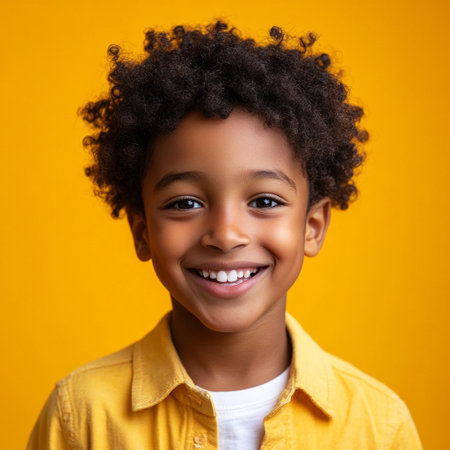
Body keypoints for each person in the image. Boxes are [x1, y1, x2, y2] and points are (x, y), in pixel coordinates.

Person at [27, 21, 422, 449]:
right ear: (142, 232)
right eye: (185, 204)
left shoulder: (378, 426)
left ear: (312, 227)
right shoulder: (81, 416)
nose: (226, 234)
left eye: (265, 202)